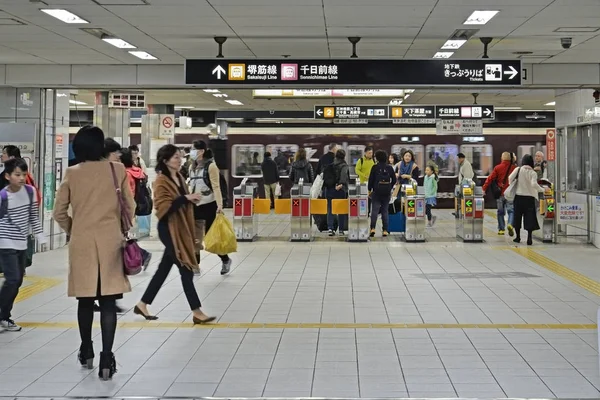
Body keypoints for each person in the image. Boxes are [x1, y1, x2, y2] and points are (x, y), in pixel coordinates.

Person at [53, 126, 135, 380]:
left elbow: (58, 212)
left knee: (85, 299)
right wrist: (118, 228)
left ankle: (86, 349)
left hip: (82, 244)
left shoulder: (72, 173)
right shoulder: (116, 169)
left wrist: (74, 229)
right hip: (111, 242)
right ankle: (107, 358)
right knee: (109, 301)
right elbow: (129, 208)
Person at [135, 144, 216, 324]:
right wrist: (186, 198)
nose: (179, 160)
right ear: (165, 161)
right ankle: (197, 312)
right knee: (186, 268)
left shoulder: (179, 177)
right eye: (175, 158)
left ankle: (142, 304)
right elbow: (163, 208)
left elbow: (181, 203)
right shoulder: (162, 180)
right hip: (168, 229)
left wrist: (191, 199)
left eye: (180, 157)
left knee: (163, 269)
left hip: (180, 228)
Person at [0, 159, 45, 332]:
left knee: (17, 281)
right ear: (7, 176)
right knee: (12, 279)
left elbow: (33, 216)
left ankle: (4, 316)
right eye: (17, 175)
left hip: (22, 242)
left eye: (24, 175)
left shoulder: (30, 191)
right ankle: (4, 315)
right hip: (5, 242)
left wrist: (40, 235)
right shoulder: (3, 196)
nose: (21, 178)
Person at [188, 140, 232, 275]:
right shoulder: (191, 167)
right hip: (195, 206)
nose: (191, 152)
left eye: (193, 149)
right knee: (194, 238)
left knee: (211, 238)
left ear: (201, 151)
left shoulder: (211, 166)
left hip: (209, 205)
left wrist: (220, 205)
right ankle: (195, 266)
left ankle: (225, 259)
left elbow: (216, 186)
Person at [120, 149, 153, 270]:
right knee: (123, 235)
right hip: (134, 206)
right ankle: (141, 255)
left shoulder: (125, 174)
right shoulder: (137, 171)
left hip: (125, 207)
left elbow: (125, 193)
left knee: (121, 236)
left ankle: (141, 255)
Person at [509, 154, 545, 245]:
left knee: (517, 217)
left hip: (518, 197)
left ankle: (517, 237)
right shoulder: (532, 172)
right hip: (529, 198)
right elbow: (533, 184)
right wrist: (542, 190)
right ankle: (529, 238)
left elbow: (510, 178)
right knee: (529, 218)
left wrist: (514, 184)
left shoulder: (518, 169)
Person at [483, 152, 516, 236]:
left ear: (502, 158)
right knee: (511, 211)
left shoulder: (497, 168)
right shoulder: (514, 168)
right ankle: (510, 224)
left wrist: (484, 188)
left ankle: (501, 229)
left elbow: (490, 178)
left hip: (500, 193)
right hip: (510, 194)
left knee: (500, 212)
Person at [367, 150, 396, 237]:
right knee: (385, 211)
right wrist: (389, 187)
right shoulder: (389, 168)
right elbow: (394, 180)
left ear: (377, 158)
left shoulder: (374, 167)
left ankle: (372, 228)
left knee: (374, 211)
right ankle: (385, 230)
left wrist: (369, 190)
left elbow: (370, 180)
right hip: (386, 193)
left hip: (376, 192)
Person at [324, 149, 350, 236]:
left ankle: (330, 229)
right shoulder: (344, 166)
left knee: (330, 210)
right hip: (340, 190)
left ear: (336, 156)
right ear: (344, 156)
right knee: (341, 210)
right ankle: (341, 230)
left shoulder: (330, 165)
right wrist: (341, 185)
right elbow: (343, 177)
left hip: (330, 189)